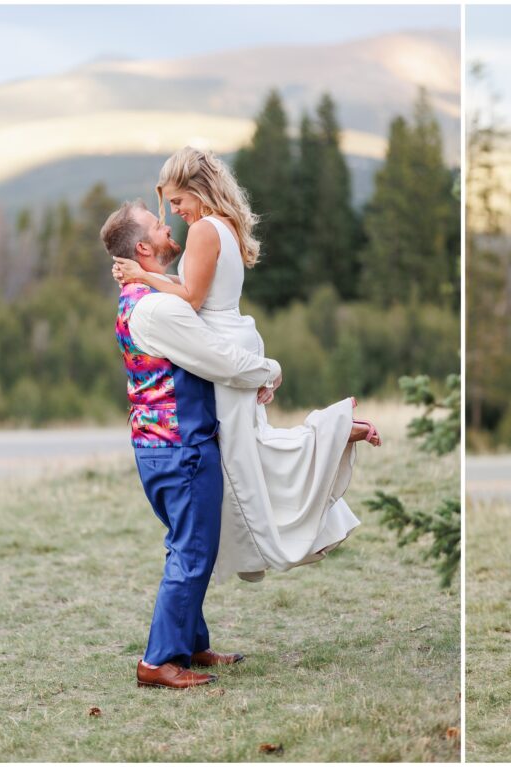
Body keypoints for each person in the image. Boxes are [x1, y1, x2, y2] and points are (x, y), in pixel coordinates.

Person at [112, 147, 378, 583]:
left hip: (220, 341)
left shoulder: (202, 231)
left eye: (177, 201)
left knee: (244, 456)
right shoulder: (224, 225)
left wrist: (143, 277)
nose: (175, 212)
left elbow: (193, 299)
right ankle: (329, 446)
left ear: (196, 190)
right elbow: (192, 283)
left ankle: (329, 441)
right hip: (236, 332)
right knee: (251, 445)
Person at [101, 199, 281, 688]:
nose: (169, 224)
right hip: (181, 447)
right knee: (192, 550)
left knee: (188, 545)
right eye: (159, 224)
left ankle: (191, 644)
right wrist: (269, 370)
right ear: (144, 247)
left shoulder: (137, 299)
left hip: (157, 445)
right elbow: (217, 358)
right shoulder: (158, 308)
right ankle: (157, 661)